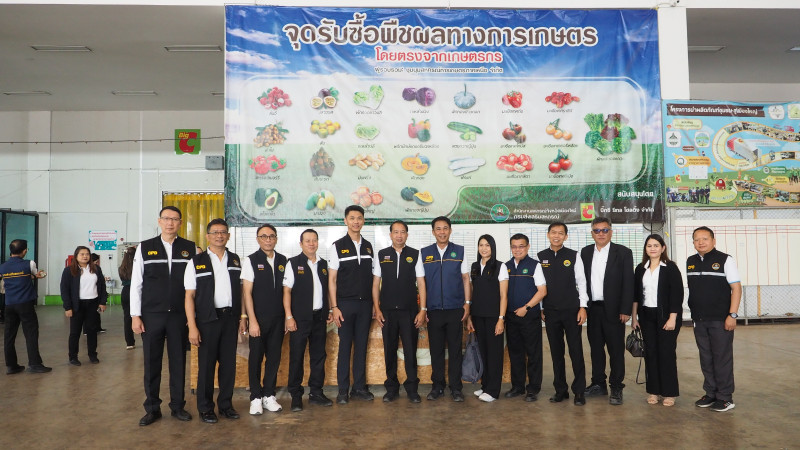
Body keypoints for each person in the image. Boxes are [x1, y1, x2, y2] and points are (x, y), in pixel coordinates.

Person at [131, 206, 196, 426]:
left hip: (179, 315)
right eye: (166, 219)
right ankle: (152, 408)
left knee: (178, 362)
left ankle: (177, 406)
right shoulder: (145, 247)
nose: (170, 223)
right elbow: (136, 283)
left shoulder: (189, 248)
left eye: (175, 219)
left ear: (180, 223)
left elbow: (195, 285)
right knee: (152, 363)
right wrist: (135, 315)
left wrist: (192, 317)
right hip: (152, 315)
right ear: (159, 221)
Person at [185, 218, 242, 424]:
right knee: (207, 366)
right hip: (207, 320)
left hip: (230, 319)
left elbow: (241, 291)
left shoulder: (235, 260)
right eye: (215, 232)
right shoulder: (196, 262)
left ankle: (226, 405)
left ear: (228, 235)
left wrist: (242, 318)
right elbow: (189, 296)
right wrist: (192, 326)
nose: (220, 235)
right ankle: (206, 408)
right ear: (208, 236)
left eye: (223, 232)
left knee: (228, 365)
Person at [686, 226, 741, 412]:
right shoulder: (690, 261)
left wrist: (732, 315)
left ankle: (725, 397)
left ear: (713, 241)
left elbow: (736, 288)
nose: (700, 242)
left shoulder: (725, 260)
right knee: (706, 358)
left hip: (721, 320)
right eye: (697, 239)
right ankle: (710, 393)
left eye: (705, 239)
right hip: (699, 319)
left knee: (721, 358)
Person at [372, 220, 427, 403]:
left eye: (402, 232)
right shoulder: (382, 255)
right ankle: (391, 388)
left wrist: (422, 310)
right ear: (390, 235)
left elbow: (421, 283)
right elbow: (375, 284)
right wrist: (377, 308)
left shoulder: (415, 254)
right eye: (396, 232)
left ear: (407, 235)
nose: (399, 235)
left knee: (411, 351)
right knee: (389, 350)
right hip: (387, 312)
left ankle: (412, 389)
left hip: (409, 312)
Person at [580, 217, 633, 405]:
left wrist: (626, 309)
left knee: (616, 350)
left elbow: (628, 282)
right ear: (592, 233)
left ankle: (616, 387)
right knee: (596, 349)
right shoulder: (585, 252)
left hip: (615, 311)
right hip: (593, 309)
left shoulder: (623, 252)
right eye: (597, 230)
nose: (601, 234)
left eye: (604, 230)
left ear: (611, 232)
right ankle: (598, 384)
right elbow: (582, 281)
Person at [421, 216, 471, 402]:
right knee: (436, 351)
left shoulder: (460, 251)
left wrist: (467, 303)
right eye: (438, 229)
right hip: (433, 311)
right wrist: (423, 308)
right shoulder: (424, 253)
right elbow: (421, 282)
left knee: (456, 351)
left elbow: (465, 278)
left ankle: (456, 388)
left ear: (450, 230)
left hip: (455, 309)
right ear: (433, 232)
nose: (442, 232)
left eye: (445, 228)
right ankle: (437, 387)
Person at [329, 205, 375, 404]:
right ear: (345, 220)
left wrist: (374, 304)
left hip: (365, 305)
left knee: (361, 347)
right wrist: (334, 307)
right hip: (345, 305)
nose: (356, 221)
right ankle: (342, 390)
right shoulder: (337, 246)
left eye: (359, 218)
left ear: (363, 221)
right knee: (345, 347)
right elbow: (332, 280)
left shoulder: (368, 246)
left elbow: (374, 278)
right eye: (352, 218)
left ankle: (359, 388)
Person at [537, 223, 588, 406]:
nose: (556, 236)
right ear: (548, 235)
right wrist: (541, 308)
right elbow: (539, 285)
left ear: (566, 236)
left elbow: (582, 282)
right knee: (556, 352)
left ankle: (579, 391)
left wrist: (583, 307)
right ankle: (560, 390)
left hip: (572, 311)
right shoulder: (541, 257)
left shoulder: (574, 255)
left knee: (576, 351)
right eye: (553, 233)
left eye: (560, 233)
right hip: (550, 312)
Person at [284, 229, 333, 412]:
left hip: (319, 317)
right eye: (307, 241)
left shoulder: (323, 264)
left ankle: (316, 393)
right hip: (299, 319)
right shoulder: (293, 263)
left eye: (314, 240)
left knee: (319, 356)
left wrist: (329, 309)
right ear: (301, 244)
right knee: (296, 357)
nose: (311, 244)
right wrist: (289, 316)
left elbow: (328, 289)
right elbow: (286, 291)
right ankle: (296, 396)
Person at [631, 234, 684, 407]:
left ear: (663, 248)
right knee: (651, 353)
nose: (652, 248)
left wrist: (672, 318)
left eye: (656, 245)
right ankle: (653, 391)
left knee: (666, 353)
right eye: (649, 246)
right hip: (646, 316)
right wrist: (634, 318)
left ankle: (669, 393)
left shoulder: (670, 268)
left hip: (666, 317)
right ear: (645, 249)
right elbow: (636, 295)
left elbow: (677, 294)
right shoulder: (641, 269)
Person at [241, 224, 287, 415]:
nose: (268, 240)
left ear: (276, 239)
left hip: (278, 319)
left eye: (271, 236)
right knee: (256, 358)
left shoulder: (283, 260)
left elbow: (287, 291)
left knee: (274, 358)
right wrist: (251, 320)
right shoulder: (251, 260)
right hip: (258, 319)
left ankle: (269, 395)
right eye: (264, 236)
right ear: (258, 239)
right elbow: (247, 293)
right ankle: (255, 397)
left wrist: (287, 317)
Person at [504, 233, 548, 402]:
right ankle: (518, 387)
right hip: (511, 317)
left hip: (530, 316)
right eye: (514, 246)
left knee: (533, 353)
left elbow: (542, 291)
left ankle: (533, 389)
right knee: (515, 353)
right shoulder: (506, 266)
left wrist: (526, 308)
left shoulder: (535, 266)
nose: (517, 250)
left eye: (521, 246)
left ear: (527, 247)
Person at [467, 234, 508, 403]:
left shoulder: (500, 266)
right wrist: (470, 316)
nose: (484, 248)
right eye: (481, 245)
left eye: (487, 245)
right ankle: (485, 386)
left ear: (492, 247)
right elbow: (473, 292)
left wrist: (501, 319)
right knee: (483, 352)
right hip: (478, 316)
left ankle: (493, 391)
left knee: (494, 354)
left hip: (493, 317)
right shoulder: (475, 266)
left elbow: (504, 295)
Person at [0, 239, 51, 374]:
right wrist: (40, 275)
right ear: (24, 251)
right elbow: (36, 274)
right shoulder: (29, 263)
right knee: (31, 334)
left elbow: (13, 278)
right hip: (25, 304)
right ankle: (35, 364)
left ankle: (11, 366)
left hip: (9, 305)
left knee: (9, 336)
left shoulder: (3, 266)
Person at [60, 246, 108, 365]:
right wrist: (67, 307)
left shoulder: (96, 269)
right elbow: (64, 290)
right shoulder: (69, 270)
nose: (85, 256)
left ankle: (92, 355)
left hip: (93, 304)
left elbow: (102, 286)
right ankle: (73, 357)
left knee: (92, 331)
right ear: (76, 256)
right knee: (75, 332)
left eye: (87, 254)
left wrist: (102, 302)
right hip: (77, 305)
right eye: (82, 254)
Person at [119, 246, 137, 349]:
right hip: (137, 291)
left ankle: (129, 343)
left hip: (125, 291)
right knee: (143, 316)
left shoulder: (121, 268)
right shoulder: (138, 266)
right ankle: (146, 339)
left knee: (127, 318)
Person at [91, 253, 107, 334]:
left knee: (97, 312)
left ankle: (98, 328)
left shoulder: (97, 268)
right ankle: (87, 330)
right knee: (90, 314)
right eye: (96, 261)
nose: (97, 263)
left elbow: (101, 283)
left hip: (97, 294)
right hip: (90, 296)